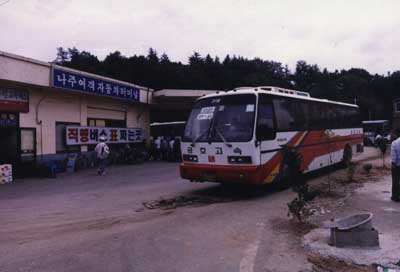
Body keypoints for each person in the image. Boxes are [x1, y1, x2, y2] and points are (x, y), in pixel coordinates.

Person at [391, 128, 400, 201]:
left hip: (397, 165)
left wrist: (393, 164)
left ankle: (395, 196)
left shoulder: (395, 143)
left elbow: (394, 156)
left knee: (395, 181)